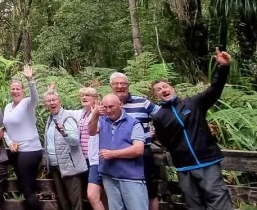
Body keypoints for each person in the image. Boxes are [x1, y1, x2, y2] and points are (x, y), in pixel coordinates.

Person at [150, 49, 234, 210]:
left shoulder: (193, 103)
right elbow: (165, 140)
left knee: (218, 200)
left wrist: (223, 67)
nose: (163, 90)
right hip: (184, 166)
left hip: (207, 161)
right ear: (156, 96)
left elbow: (214, 89)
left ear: (172, 88)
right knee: (193, 204)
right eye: (159, 90)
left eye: (165, 86)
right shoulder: (159, 117)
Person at [89, 94, 148, 210]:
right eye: (105, 107)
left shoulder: (134, 123)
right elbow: (91, 131)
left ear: (120, 105)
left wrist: (113, 154)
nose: (108, 110)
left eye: (111, 107)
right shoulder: (102, 120)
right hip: (109, 175)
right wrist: (95, 115)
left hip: (130, 177)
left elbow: (138, 149)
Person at [110, 72, 159, 210]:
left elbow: (164, 117)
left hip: (142, 153)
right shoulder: (108, 105)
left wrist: (155, 133)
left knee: (150, 191)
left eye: (123, 83)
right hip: (117, 155)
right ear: (111, 87)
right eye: (116, 84)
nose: (120, 86)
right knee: (121, 193)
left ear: (128, 85)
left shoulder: (142, 102)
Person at [2, 65, 43, 210]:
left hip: (30, 150)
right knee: (25, 185)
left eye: (18, 88)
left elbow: (35, 97)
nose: (15, 91)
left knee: (27, 189)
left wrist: (30, 79)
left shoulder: (27, 103)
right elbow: (4, 129)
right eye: (12, 89)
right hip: (15, 151)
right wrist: (10, 142)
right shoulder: (7, 107)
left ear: (22, 91)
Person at [44, 90, 87, 210]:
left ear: (60, 102)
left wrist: (64, 133)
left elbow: (75, 141)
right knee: (63, 201)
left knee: (75, 202)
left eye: (54, 100)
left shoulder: (67, 117)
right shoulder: (51, 118)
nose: (52, 103)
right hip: (55, 167)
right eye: (49, 101)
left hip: (69, 166)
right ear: (45, 105)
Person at [77, 88, 106, 210]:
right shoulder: (82, 113)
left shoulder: (102, 112)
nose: (84, 97)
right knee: (101, 195)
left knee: (93, 195)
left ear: (95, 98)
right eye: (82, 95)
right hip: (85, 159)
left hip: (97, 158)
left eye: (87, 95)